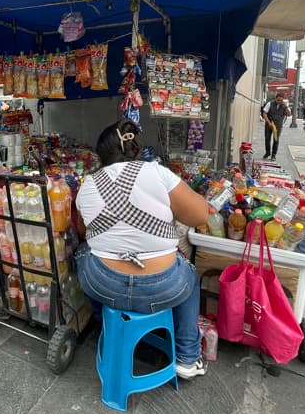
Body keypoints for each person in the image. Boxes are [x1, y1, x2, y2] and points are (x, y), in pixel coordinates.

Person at [74, 120, 209, 380]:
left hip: (104, 286)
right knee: (191, 276)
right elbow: (200, 215)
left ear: (100, 154)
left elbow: (84, 233)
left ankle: (107, 325)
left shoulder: (87, 184)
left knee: (81, 252)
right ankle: (188, 358)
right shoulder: (157, 173)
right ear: (136, 148)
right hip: (163, 288)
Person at [260, 93, 290, 160]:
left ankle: (274, 155)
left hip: (278, 125)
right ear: (276, 98)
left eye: (281, 100)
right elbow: (264, 113)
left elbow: (289, 114)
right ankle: (267, 153)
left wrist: (286, 107)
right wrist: (268, 122)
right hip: (269, 124)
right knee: (267, 139)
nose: (279, 101)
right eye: (278, 100)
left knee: (276, 140)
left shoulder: (284, 106)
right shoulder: (270, 103)